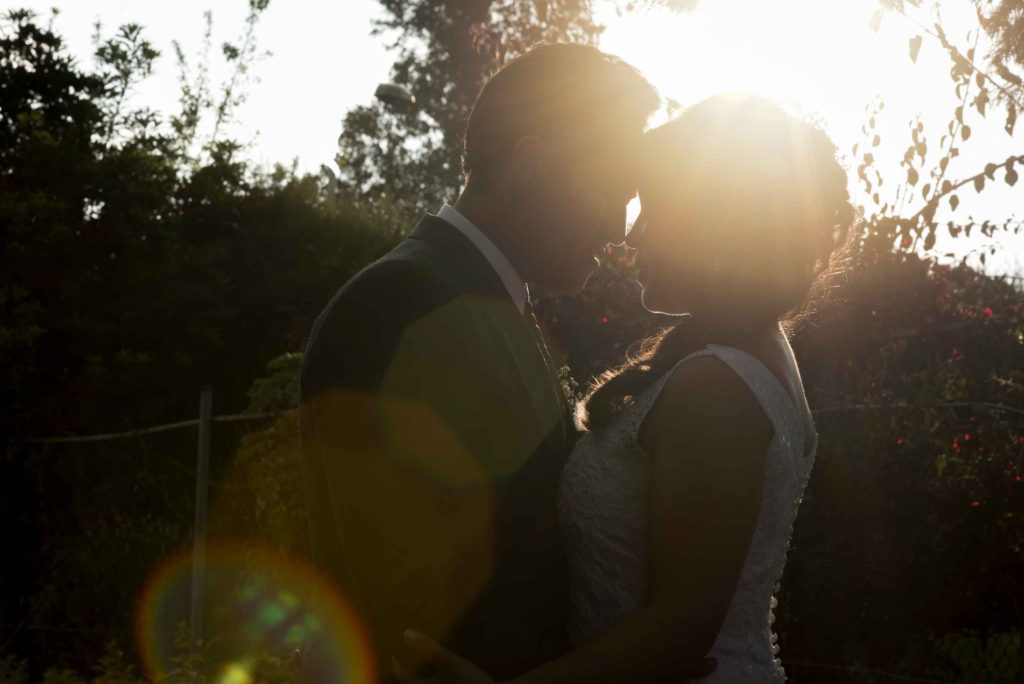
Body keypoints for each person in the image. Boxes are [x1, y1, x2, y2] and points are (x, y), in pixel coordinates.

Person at [398, 94, 855, 683]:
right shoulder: (754, 350)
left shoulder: (716, 385)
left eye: (653, 207)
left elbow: (680, 630)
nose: (631, 235)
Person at [299, 43, 682, 682]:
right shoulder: (397, 302)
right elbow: (393, 584)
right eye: (612, 189)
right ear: (533, 164)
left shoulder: (489, 300)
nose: (620, 227)